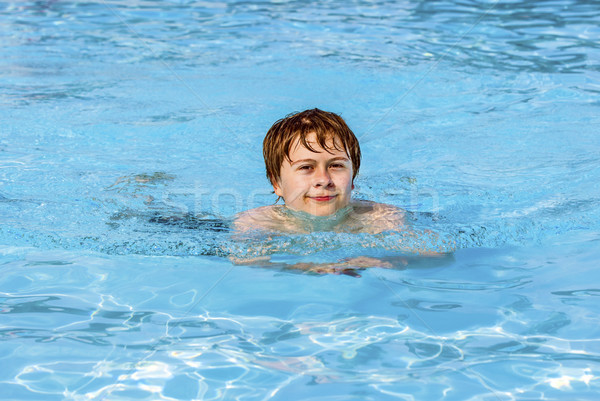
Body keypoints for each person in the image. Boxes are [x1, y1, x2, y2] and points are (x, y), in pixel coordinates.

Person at [232, 108, 449, 275]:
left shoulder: (379, 217)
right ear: (276, 183)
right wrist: (297, 267)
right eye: (306, 167)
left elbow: (440, 253)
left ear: (352, 178)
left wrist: (389, 260)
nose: (323, 180)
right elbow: (248, 267)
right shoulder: (256, 222)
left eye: (336, 166)